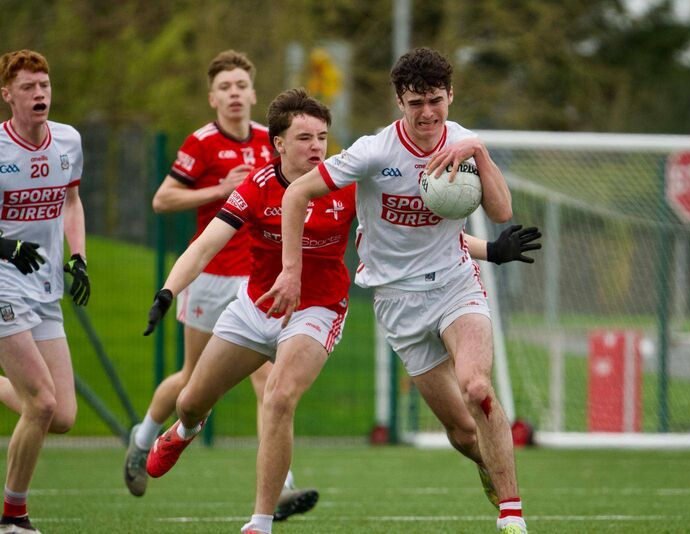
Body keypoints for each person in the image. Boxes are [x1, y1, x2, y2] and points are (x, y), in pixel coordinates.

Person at [265, 47, 538, 534]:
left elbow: (500, 212)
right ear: (399, 102)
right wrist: (291, 270)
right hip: (397, 300)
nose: (428, 113)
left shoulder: (463, 144)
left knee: (478, 386)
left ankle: (512, 511)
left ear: (451, 96)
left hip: (456, 283)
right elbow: (296, 192)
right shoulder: (374, 153)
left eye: (436, 100)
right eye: (416, 103)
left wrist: (478, 151)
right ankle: (486, 463)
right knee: (459, 430)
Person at [142, 88, 355, 534]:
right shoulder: (257, 185)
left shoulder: (347, 183)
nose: (317, 147)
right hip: (256, 307)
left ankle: (260, 522)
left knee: (278, 398)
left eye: (322, 137)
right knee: (190, 401)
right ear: (278, 144)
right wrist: (167, 291)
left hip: (317, 309)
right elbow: (204, 247)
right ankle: (182, 432)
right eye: (304, 138)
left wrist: (483, 250)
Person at [122, 50, 317, 520]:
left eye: (240, 86)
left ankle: (280, 487)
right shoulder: (202, 143)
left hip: (255, 280)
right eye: (224, 87)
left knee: (267, 380)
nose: (233, 94)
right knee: (192, 380)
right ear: (213, 98)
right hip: (208, 276)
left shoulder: (274, 142)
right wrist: (221, 189)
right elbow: (162, 199)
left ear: (253, 93)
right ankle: (143, 437)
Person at [0, 49, 90, 534]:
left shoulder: (69, 140)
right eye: (29, 87)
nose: (40, 94)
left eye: (45, 86)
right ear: (7, 95)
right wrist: (5, 247)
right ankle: (13, 518)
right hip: (1, 281)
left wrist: (78, 256)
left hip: (44, 284)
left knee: (63, 416)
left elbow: (72, 203)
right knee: (41, 403)